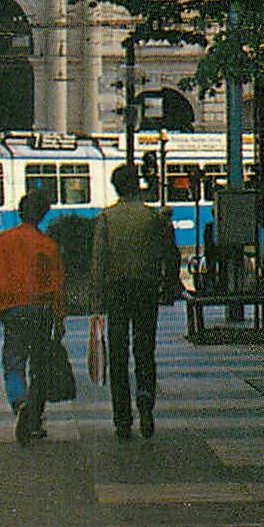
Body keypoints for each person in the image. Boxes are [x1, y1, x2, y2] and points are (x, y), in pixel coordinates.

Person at [92, 163, 179, 439]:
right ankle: (145, 401)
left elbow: (98, 261)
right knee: (145, 349)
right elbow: (171, 254)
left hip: (116, 290)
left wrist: (96, 297)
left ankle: (122, 418)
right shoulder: (153, 218)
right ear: (138, 185)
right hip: (146, 288)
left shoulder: (106, 219)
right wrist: (169, 284)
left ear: (116, 187)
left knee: (118, 354)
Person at [0, 190, 65, 445]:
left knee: (14, 360)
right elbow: (57, 285)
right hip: (40, 309)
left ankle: (20, 402)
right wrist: (59, 319)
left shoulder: (3, 240)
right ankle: (35, 421)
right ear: (43, 215)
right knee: (39, 364)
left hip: (12, 310)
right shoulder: (47, 245)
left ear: (20, 212)